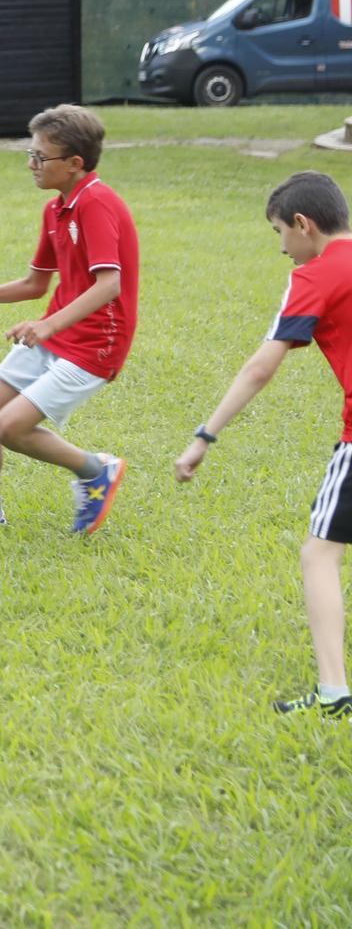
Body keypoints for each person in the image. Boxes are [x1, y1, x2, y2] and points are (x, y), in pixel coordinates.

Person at [174, 171, 352, 716]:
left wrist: (205, 435)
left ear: (303, 224)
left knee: (318, 554)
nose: (282, 249)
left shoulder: (316, 277)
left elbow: (260, 368)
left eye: (280, 233)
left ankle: (333, 693)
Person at [0, 104, 136, 536]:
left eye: (39, 157)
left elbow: (109, 285)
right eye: (29, 155)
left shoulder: (98, 203)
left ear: (74, 164)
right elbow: (36, 284)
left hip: (95, 344)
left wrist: (47, 326)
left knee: (10, 427)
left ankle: (95, 471)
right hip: (57, 334)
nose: (31, 165)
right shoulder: (56, 209)